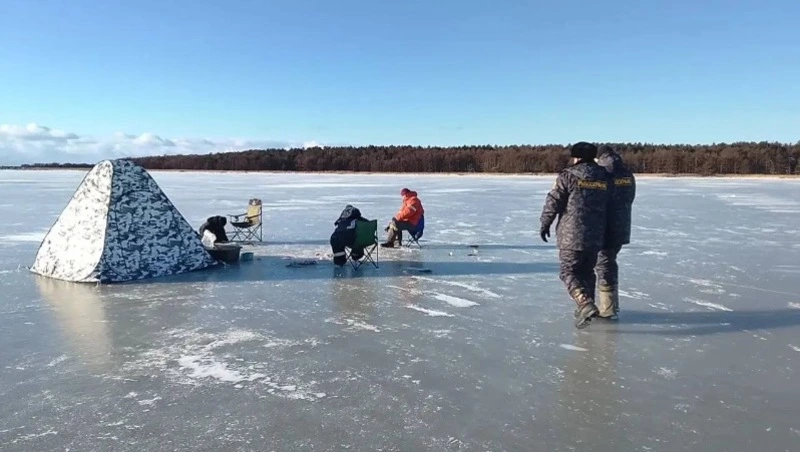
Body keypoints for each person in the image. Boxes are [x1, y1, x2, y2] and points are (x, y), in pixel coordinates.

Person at [539, 142, 612, 329]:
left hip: (571, 236)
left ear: (577, 157)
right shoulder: (604, 176)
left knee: (568, 272)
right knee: (587, 272)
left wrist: (545, 223)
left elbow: (553, 201)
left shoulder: (568, 176)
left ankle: (584, 303)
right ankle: (586, 308)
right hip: (596, 235)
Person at [594, 145, 636, 320]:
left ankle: (607, 309)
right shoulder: (627, 174)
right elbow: (630, 197)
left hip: (605, 226)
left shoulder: (603, 173)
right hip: (622, 226)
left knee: (603, 264)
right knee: (609, 262)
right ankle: (612, 306)